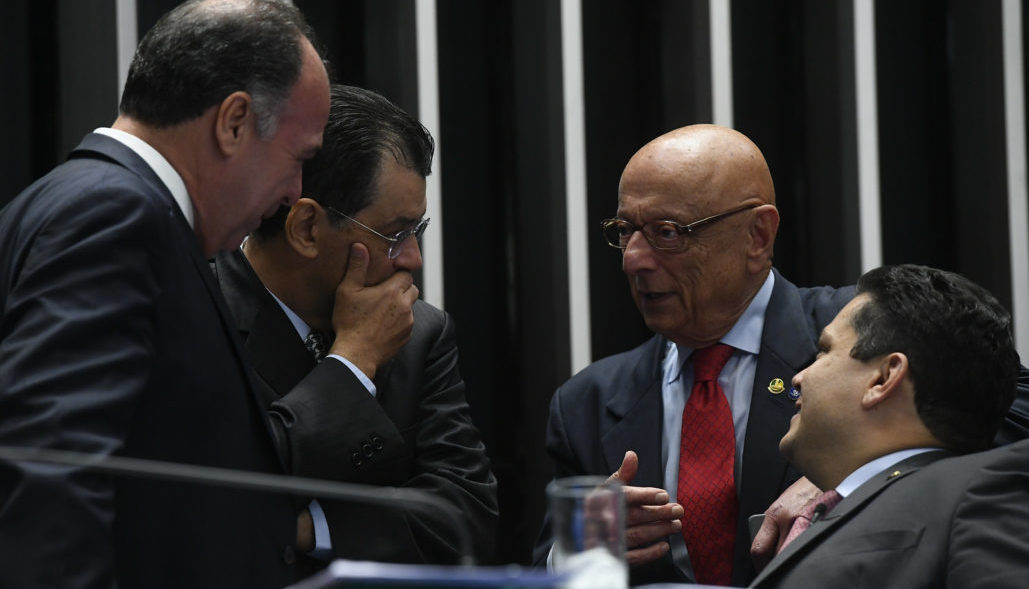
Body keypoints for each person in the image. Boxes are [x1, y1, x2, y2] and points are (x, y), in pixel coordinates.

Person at [534, 124, 1029, 587]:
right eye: (625, 230)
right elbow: (546, 567)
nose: (633, 259)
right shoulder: (586, 402)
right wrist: (586, 544)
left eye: (668, 232)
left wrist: (851, 484)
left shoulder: (858, 330)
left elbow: (1004, 404)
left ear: (758, 236)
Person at [0, 1, 330, 587]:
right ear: (233, 122)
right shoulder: (114, 214)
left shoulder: (99, 204)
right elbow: (53, 470)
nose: (295, 192)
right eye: (299, 158)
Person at [211, 84, 499, 570]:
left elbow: (464, 518)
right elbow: (219, 496)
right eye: (394, 234)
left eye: (417, 231)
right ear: (305, 228)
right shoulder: (199, 312)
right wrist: (353, 363)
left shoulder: (421, 333)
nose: (413, 259)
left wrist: (306, 528)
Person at [749, 264, 1028, 588]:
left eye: (824, 351)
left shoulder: (981, 492)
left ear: (883, 378)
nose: (798, 379)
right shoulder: (846, 507)